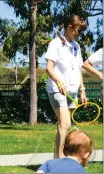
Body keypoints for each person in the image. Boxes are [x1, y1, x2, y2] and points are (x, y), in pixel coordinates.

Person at [45, 15, 87, 159]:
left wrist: (82, 90)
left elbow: (78, 70)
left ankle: (57, 158)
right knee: (65, 124)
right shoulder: (55, 44)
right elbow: (49, 68)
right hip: (58, 90)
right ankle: (60, 159)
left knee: (63, 126)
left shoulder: (76, 46)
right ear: (70, 27)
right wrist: (58, 81)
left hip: (72, 91)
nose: (79, 34)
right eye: (78, 31)